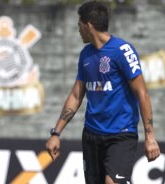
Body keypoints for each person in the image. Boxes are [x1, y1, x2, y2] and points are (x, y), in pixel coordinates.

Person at [45, 1, 160, 184]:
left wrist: (150, 137)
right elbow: (76, 96)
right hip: (92, 135)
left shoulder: (122, 51)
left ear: (88, 24)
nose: (78, 30)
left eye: (79, 25)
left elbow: (142, 93)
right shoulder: (86, 55)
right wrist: (56, 133)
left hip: (121, 134)